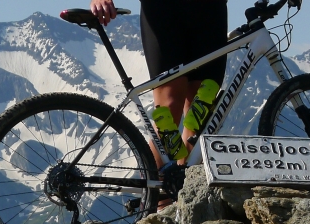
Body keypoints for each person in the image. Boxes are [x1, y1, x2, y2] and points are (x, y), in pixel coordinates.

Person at [89, 0, 228, 207]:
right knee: (168, 111)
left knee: (201, 112)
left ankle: (185, 208)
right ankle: (155, 210)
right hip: (165, 9)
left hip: (209, 10)